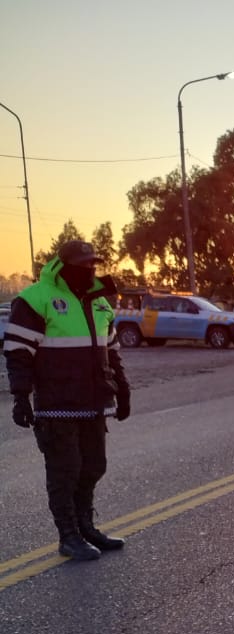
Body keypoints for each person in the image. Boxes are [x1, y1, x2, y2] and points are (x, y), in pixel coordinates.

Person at [4, 239, 132, 560]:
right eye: (83, 264)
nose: (90, 268)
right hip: (56, 404)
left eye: (93, 263)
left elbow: (111, 352)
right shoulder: (36, 300)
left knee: (93, 466)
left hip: (94, 401)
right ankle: (69, 535)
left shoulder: (99, 301)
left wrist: (123, 390)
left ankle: (86, 527)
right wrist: (21, 397)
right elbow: (18, 354)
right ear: (64, 265)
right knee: (65, 470)